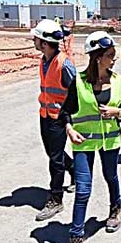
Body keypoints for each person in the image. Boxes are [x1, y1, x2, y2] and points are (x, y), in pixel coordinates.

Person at [59, 31, 121, 243]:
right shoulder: (78, 81)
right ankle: (76, 239)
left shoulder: (119, 80)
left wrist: (117, 113)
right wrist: (69, 130)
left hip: (110, 141)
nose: (114, 59)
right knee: (83, 189)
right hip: (83, 142)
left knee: (111, 177)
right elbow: (65, 113)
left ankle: (116, 208)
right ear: (97, 57)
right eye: (110, 55)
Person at [31, 19, 77, 221]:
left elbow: (74, 93)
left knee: (55, 160)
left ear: (44, 42)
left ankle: (56, 199)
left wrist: (68, 120)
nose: (34, 41)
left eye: (37, 38)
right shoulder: (44, 60)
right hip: (45, 115)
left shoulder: (64, 63)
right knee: (52, 154)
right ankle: (74, 170)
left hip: (59, 118)